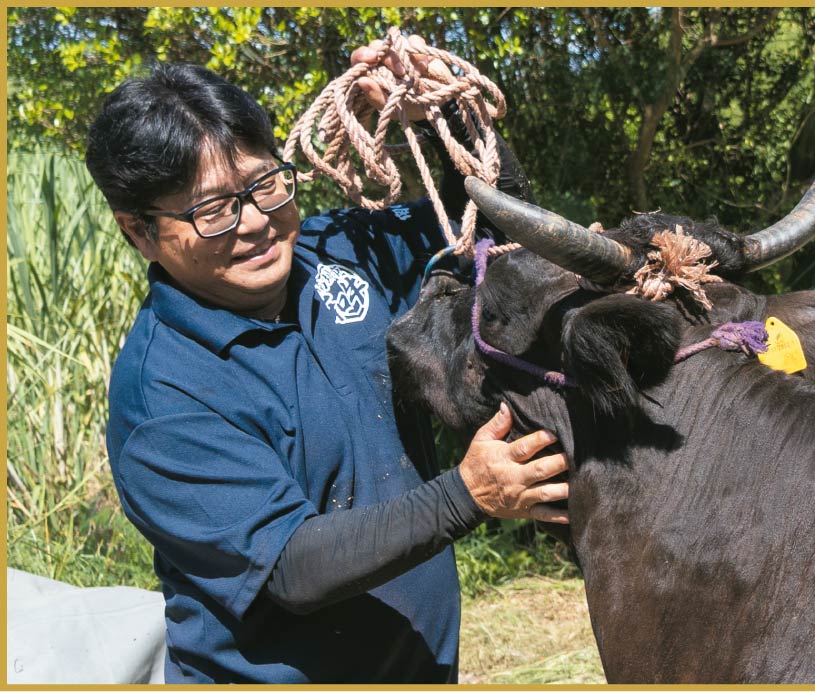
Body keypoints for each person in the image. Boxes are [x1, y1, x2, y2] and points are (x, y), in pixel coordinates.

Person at [87, 42, 569, 684]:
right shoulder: (165, 394)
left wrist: (442, 113)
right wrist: (467, 495)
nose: (255, 222)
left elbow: (495, 231)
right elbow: (292, 567)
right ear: (138, 231)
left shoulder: (335, 253)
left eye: (264, 184)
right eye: (212, 210)